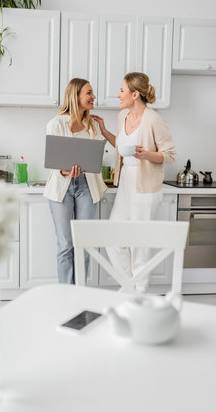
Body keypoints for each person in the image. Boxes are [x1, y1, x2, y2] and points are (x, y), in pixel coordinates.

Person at [92, 72, 176, 292]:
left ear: (135, 93)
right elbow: (122, 148)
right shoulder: (123, 117)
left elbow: (169, 154)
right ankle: (130, 286)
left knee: (139, 242)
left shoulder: (153, 119)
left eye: (122, 90)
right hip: (127, 182)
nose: (119, 95)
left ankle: (139, 293)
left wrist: (146, 154)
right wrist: (104, 131)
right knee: (113, 237)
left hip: (146, 183)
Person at [43, 78, 107, 284]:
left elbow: (96, 157)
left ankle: (80, 290)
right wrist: (65, 170)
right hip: (61, 187)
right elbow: (52, 161)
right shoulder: (56, 123)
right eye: (89, 93)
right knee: (65, 244)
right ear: (76, 96)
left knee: (84, 244)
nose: (93, 97)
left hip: (87, 186)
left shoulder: (93, 126)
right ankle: (65, 293)